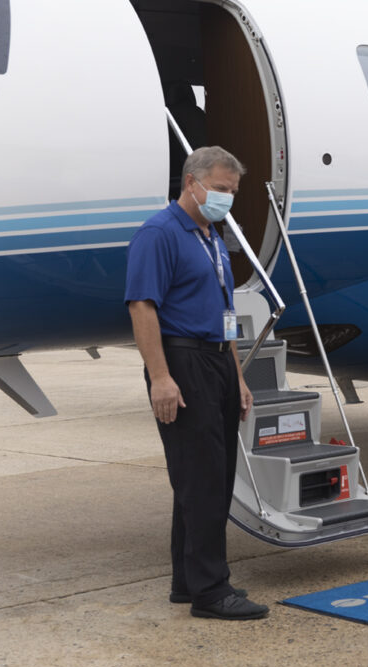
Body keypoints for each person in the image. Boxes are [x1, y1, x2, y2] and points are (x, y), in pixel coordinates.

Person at [124, 146, 269, 620]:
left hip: (217, 361)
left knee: (209, 476)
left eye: (232, 191)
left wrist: (238, 375)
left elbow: (224, 315)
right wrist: (161, 377)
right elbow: (142, 306)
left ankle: (188, 581)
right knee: (202, 476)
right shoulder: (160, 233)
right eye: (222, 189)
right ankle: (211, 591)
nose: (228, 199)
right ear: (193, 182)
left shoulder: (210, 236)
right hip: (182, 362)